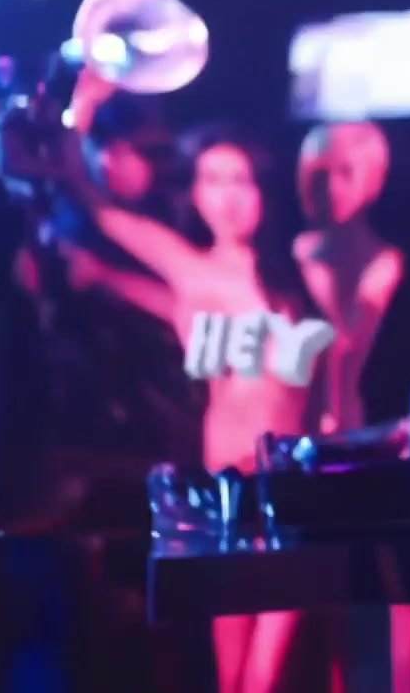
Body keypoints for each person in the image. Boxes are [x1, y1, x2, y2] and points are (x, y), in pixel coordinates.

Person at [84, 124, 324, 693]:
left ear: (263, 189)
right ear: (194, 193)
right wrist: (79, 130)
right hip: (230, 486)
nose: (227, 195)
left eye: (240, 179)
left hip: (290, 489)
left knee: (264, 674)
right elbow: (111, 219)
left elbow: (312, 387)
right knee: (236, 673)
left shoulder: (293, 279)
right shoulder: (196, 271)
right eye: (212, 180)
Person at [295, 120, 402, 434]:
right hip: (297, 430)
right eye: (320, 174)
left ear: (373, 178)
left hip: (362, 432)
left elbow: (350, 353)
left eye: (346, 172)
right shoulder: (291, 257)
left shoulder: (386, 266)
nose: (331, 187)